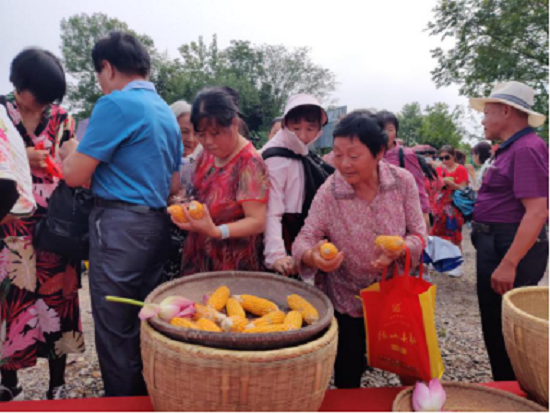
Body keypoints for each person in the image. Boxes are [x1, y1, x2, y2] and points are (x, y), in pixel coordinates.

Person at [61, 32, 182, 396]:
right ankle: (151, 396)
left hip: (118, 229)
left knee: (115, 326)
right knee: (147, 320)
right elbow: (174, 183)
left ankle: (121, 403)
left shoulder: (114, 105)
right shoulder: (166, 111)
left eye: (99, 73)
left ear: (108, 67)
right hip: (156, 224)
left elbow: (74, 175)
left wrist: (72, 149)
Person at [292, 111, 427, 388]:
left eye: (354, 156)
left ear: (378, 152)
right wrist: (313, 256)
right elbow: (304, 239)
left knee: (411, 367)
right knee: (348, 370)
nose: (344, 164)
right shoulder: (330, 190)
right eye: (338, 154)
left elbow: (419, 234)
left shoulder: (402, 182)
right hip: (347, 296)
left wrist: (400, 248)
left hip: (395, 292)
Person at [0, 48, 84, 401]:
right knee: (13, 298)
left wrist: (51, 158)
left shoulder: (62, 116)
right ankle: (9, 379)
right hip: (10, 222)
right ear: (19, 85)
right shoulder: (2, 113)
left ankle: (57, 382)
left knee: (58, 299)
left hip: (55, 225)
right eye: (40, 94)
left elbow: (72, 162)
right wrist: (21, 154)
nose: (46, 102)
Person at [469, 81, 548, 381]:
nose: (483, 119)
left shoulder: (527, 148)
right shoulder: (512, 148)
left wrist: (510, 262)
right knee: (495, 324)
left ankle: (513, 392)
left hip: (508, 243)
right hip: (496, 240)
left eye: (487, 112)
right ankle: (506, 388)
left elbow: (537, 211)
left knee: (508, 330)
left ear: (505, 110)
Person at [172, 87, 269, 274]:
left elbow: (257, 221)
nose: (207, 141)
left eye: (215, 133)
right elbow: (198, 192)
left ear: (233, 124)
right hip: (198, 256)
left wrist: (217, 231)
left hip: (230, 263)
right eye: (201, 134)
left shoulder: (249, 163)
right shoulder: (207, 154)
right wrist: (184, 203)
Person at [261, 94, 333, 276]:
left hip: (299, 230)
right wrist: (276, 255)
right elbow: (272, 209)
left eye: (310, 129)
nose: (303, 135)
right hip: (281, 232)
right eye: (296, 128)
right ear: (285, 125)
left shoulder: (302, 152)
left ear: (319, 130)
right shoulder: (275, 157)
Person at [162, 100, 201, 282]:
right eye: (184, 132)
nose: (191, 139)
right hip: (161, 238)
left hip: (195, 241)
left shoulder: (206, 161)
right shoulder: (159, 158)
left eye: (196, 133)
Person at [377, 111, 430, 230]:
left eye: (390, 130)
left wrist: (424, 216)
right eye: (381, 129)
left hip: (400, 216)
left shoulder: (405, 154)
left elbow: (418, 188)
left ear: (396, 132)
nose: (385, 134)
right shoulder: (368, 154)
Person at [430, 145, 469, 277]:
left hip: (454, 205)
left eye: (447, 157)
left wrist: (452, 185)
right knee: (436, 233)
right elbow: (434, 186)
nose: (444, 160)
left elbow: (464, 190)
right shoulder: (439, 169)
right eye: (441, 158)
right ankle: (436, 260)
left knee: (454, 235)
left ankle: (458, 265)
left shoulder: (461, 169)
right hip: (440, 204)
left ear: (453, 156)